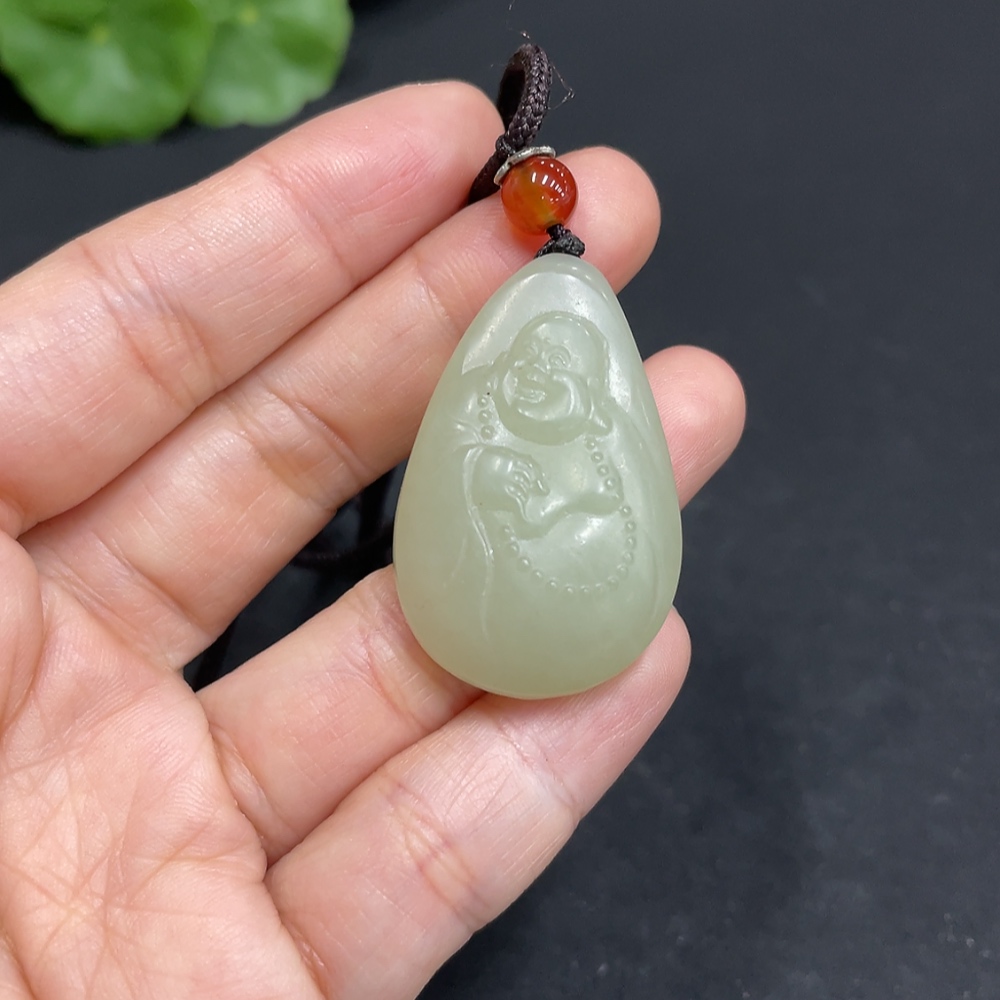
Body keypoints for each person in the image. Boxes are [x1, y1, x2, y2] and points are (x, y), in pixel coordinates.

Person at [0, 82, 745, 998]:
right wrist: (496, 502)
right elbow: (481, 524)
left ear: (590, 395)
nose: (536, 384)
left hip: (579, 580)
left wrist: (535, 511)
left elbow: (605, 526)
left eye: (558, 375)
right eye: (527, 371)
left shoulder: (590, 448)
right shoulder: (490, 446)